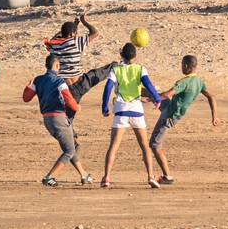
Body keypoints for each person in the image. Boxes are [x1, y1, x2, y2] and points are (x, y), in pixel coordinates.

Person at [23, 54, 94, 186]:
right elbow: (68, 98)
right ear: (56, 65)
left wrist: (28, 86)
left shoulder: (38, 80)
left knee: (71, 146)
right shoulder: (60, 81)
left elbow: (26, 98)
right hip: (59, 118)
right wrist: (77, 107)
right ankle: (49, 177)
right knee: (69, 150)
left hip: (47, 120)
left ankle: (84, 175)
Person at [149, 54, 219, 185]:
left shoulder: (184, 82)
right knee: (150, 91)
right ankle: (133, 93)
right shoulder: (198, 81)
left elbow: (167, 94)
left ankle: (167, 176)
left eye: (182, 64)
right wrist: (214, 116)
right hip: (171, 108)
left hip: (169, 115)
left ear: (186, 66)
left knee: (154, 144)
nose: (181, 67)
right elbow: (212, 96)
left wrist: (150, 100)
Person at [101, 42, 162, 188]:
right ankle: (151, 176)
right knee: (145, 146)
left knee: (114, 146)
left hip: (121, 110)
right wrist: (157, 98)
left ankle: (106, 178)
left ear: (121, 55)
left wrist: (104, 107)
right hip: (136, 111)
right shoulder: (140, 69)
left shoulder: (116, 70)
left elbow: (108, 87)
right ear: (135, 56)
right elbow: (148, 84)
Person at [44, 14, 98, 85]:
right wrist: (84, 21)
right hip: (77, 84)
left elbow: (57, 36)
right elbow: (95, 33)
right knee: (100, 72)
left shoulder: (53, 44)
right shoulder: (75, 42)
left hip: (60, 83)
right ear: (72, 33)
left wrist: (73, 27)